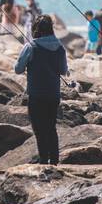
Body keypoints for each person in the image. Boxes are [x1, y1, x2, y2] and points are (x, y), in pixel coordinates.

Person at [14, 16, 69, 165]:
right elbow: (63, 71)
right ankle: (55, 161)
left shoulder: (31, 46)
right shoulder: (60, 47)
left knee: (39, 129)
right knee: (51, 127)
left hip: (36, 94)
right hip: (53, 94)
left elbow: (18, 69)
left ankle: (44, 160)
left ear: (35, 29)